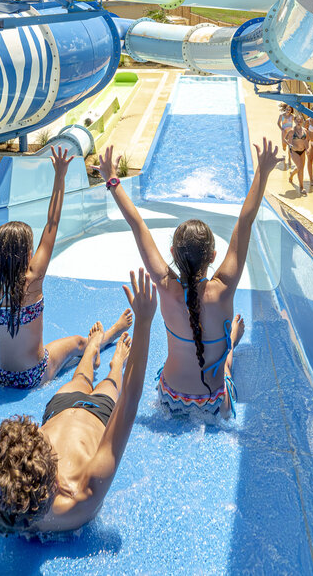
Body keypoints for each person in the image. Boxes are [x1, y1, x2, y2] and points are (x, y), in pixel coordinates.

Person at [0, 267, 157, 535]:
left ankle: (93, 347)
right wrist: (144, 323)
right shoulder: (83, 494)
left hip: (61, 407)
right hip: (98, 416)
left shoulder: (4, 478)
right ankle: (115, 360)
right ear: (48, 482)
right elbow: (129, 401)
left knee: (81, 376)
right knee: (111, 383)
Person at [96, 137, 281, 418]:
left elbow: (137, 224)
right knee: (225, 364)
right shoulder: (223, 289)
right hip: (215, 404)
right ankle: (232, 339)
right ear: (213, 256)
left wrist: (112, 180)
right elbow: (245, 222)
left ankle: (230, 339)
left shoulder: (165, 286)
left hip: (170, 397)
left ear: (172, 252)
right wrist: (262, 171)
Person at [0, 148, 130, 389]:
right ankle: (108, 336)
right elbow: (53, 221)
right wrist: (60, 175)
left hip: (1, 376)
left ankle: (99, 341)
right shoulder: (33, 278)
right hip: (33, 375)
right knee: (78, 343)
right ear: (27, 254)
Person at [285, 117, 311, 195]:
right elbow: (285, 139)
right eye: (297, 120)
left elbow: (308, 140)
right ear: (294, 121)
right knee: (300, 167)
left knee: (300, 168)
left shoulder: (305, 131)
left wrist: (308, 149)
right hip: (294, 151)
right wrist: (290, 146)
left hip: (302, 151)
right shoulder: (292, 131)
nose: (299, 122)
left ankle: (292, 174)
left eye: (300, 120)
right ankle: (301, 187)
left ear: (302, 121)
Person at [277, 105, 295, 171]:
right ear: (285, 109)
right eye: (287, 109)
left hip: (290, 133)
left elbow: (296, 122)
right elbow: (278, 123)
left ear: (291, 111)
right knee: (284, 146)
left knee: (290, 146)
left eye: (289, 110)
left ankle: (289, 159)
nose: (288, 111)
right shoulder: (281, 116)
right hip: (284, 132)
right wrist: (281, 129)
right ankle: (283, 147)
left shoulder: (292, 116)